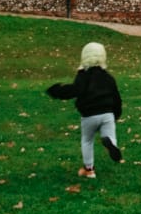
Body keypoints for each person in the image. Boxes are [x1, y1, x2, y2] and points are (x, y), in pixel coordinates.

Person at [46, 42, 123, 178]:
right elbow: (116, 97)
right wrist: (116, 115)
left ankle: (89, 170)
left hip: (89, 115)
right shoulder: (108, 77)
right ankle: (111, 143)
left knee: (87, 140)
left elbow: (74, 90)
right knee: (109, 135)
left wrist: (57, 90)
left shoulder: (83, 76)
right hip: (107, 113)